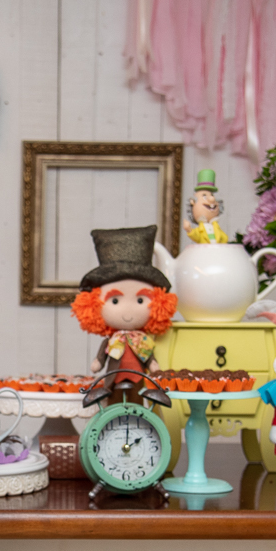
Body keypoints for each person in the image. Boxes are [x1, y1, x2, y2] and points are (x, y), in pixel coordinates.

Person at [72, 225, 177, 405]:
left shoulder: (143, 340)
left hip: (138, 378)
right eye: (114, 301)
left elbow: (148, 355)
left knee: (137, 402)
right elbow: (102, 357)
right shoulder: (112, 340)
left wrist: (152, 364)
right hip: (114, 378)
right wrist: (98, 362)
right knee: (113, 404)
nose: (127, 310)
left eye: (140, 300)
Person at [183, 169, 229, 244]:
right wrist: (189, 230)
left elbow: (224, 238)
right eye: (204, 196)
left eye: (212, 195)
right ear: (193, 203)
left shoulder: (216, 227)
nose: (212, 199)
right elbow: (196, 236)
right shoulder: (200, 230)